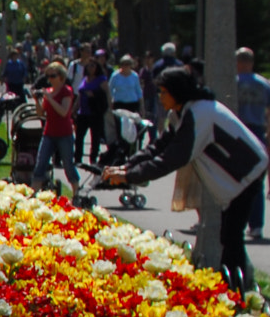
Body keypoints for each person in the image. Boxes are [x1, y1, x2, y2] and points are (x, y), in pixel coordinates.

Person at [106, 64, 269, 294]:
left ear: (177, 92)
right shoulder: (181, 113)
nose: (160, 96)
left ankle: (237, 290)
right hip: (238, 176)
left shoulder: (200, 114)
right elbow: (159, 146)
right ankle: (236, 287)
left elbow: (173, 158)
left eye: (164, 92)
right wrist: (126, 166)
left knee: (231, 235)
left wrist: (128, 176)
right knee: (230, 235)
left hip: (247, 172)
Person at [33, 60, 79, 197]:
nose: (50, 79)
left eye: (53, 76)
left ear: (61, 77)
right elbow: (41, 114)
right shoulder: (48, 92)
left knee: (67, 164)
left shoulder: (66, 91)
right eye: (48, 76)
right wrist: (38, 100)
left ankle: (76, 192)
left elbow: (64, 112)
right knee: (40, 163)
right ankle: (34, 193)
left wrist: (50, 98)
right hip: (49, 132)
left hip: (64, 133)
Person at [238, 48, 269, 241]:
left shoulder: (232, 83)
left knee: (236, 179)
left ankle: (238, 222)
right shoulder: (264, 84)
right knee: (257, 180)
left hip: (238, 132)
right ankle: (256, 224)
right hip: (258, 131)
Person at [74, 50, 110, 165]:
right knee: (79, 137)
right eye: (89, 66)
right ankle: (78, 158)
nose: (90, 68)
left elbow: (107, 94)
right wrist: (73, 109)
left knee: (95, 137)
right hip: (83, 112)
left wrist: (108, 108)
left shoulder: (101, 79)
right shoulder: (84, 79)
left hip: (96, 112)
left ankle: (93, 158)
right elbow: (79, 96)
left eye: (93, 66)